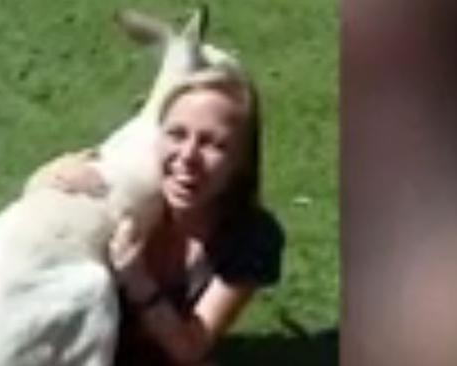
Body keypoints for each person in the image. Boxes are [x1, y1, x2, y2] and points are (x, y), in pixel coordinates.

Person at [37, 67, 284, 366]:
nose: (188, 157)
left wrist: (135, 277)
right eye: (176, 134)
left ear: (241, 161)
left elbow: (190, 348)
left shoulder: (251, 236)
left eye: (212, 144)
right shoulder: (121, 193)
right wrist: (48, 182)